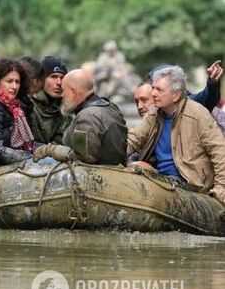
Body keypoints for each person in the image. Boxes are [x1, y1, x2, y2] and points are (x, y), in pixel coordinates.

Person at [127, 66, 225, 204]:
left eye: (159, 90)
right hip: (162, 178)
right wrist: (112, 155)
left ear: (176, 95)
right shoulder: (155, 113)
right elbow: (134, 138)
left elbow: (219, 151)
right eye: (153, 88)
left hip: (190, 184)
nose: (153, 93)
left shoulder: (197, 113)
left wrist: (221, 188)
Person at [35, 69, 128, 165]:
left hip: (99, 175)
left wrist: (51, 150)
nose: (61, 95)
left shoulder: (86, 117)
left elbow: (83, 160)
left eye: (63, 90)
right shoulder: (110, 107)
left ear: (73, 92)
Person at [30, 56, 71, 144]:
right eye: (53, 76)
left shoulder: (66, 107)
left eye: (62, 78)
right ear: (41, 79)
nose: (59, 83)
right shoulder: (28, 105)